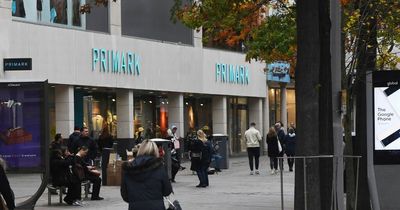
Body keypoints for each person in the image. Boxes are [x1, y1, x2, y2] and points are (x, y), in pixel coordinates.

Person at [121, 140, 173, 210]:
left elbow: (125, 195)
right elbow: (167, 191)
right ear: (155, 151)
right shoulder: (159, 167)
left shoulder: (128, 168)